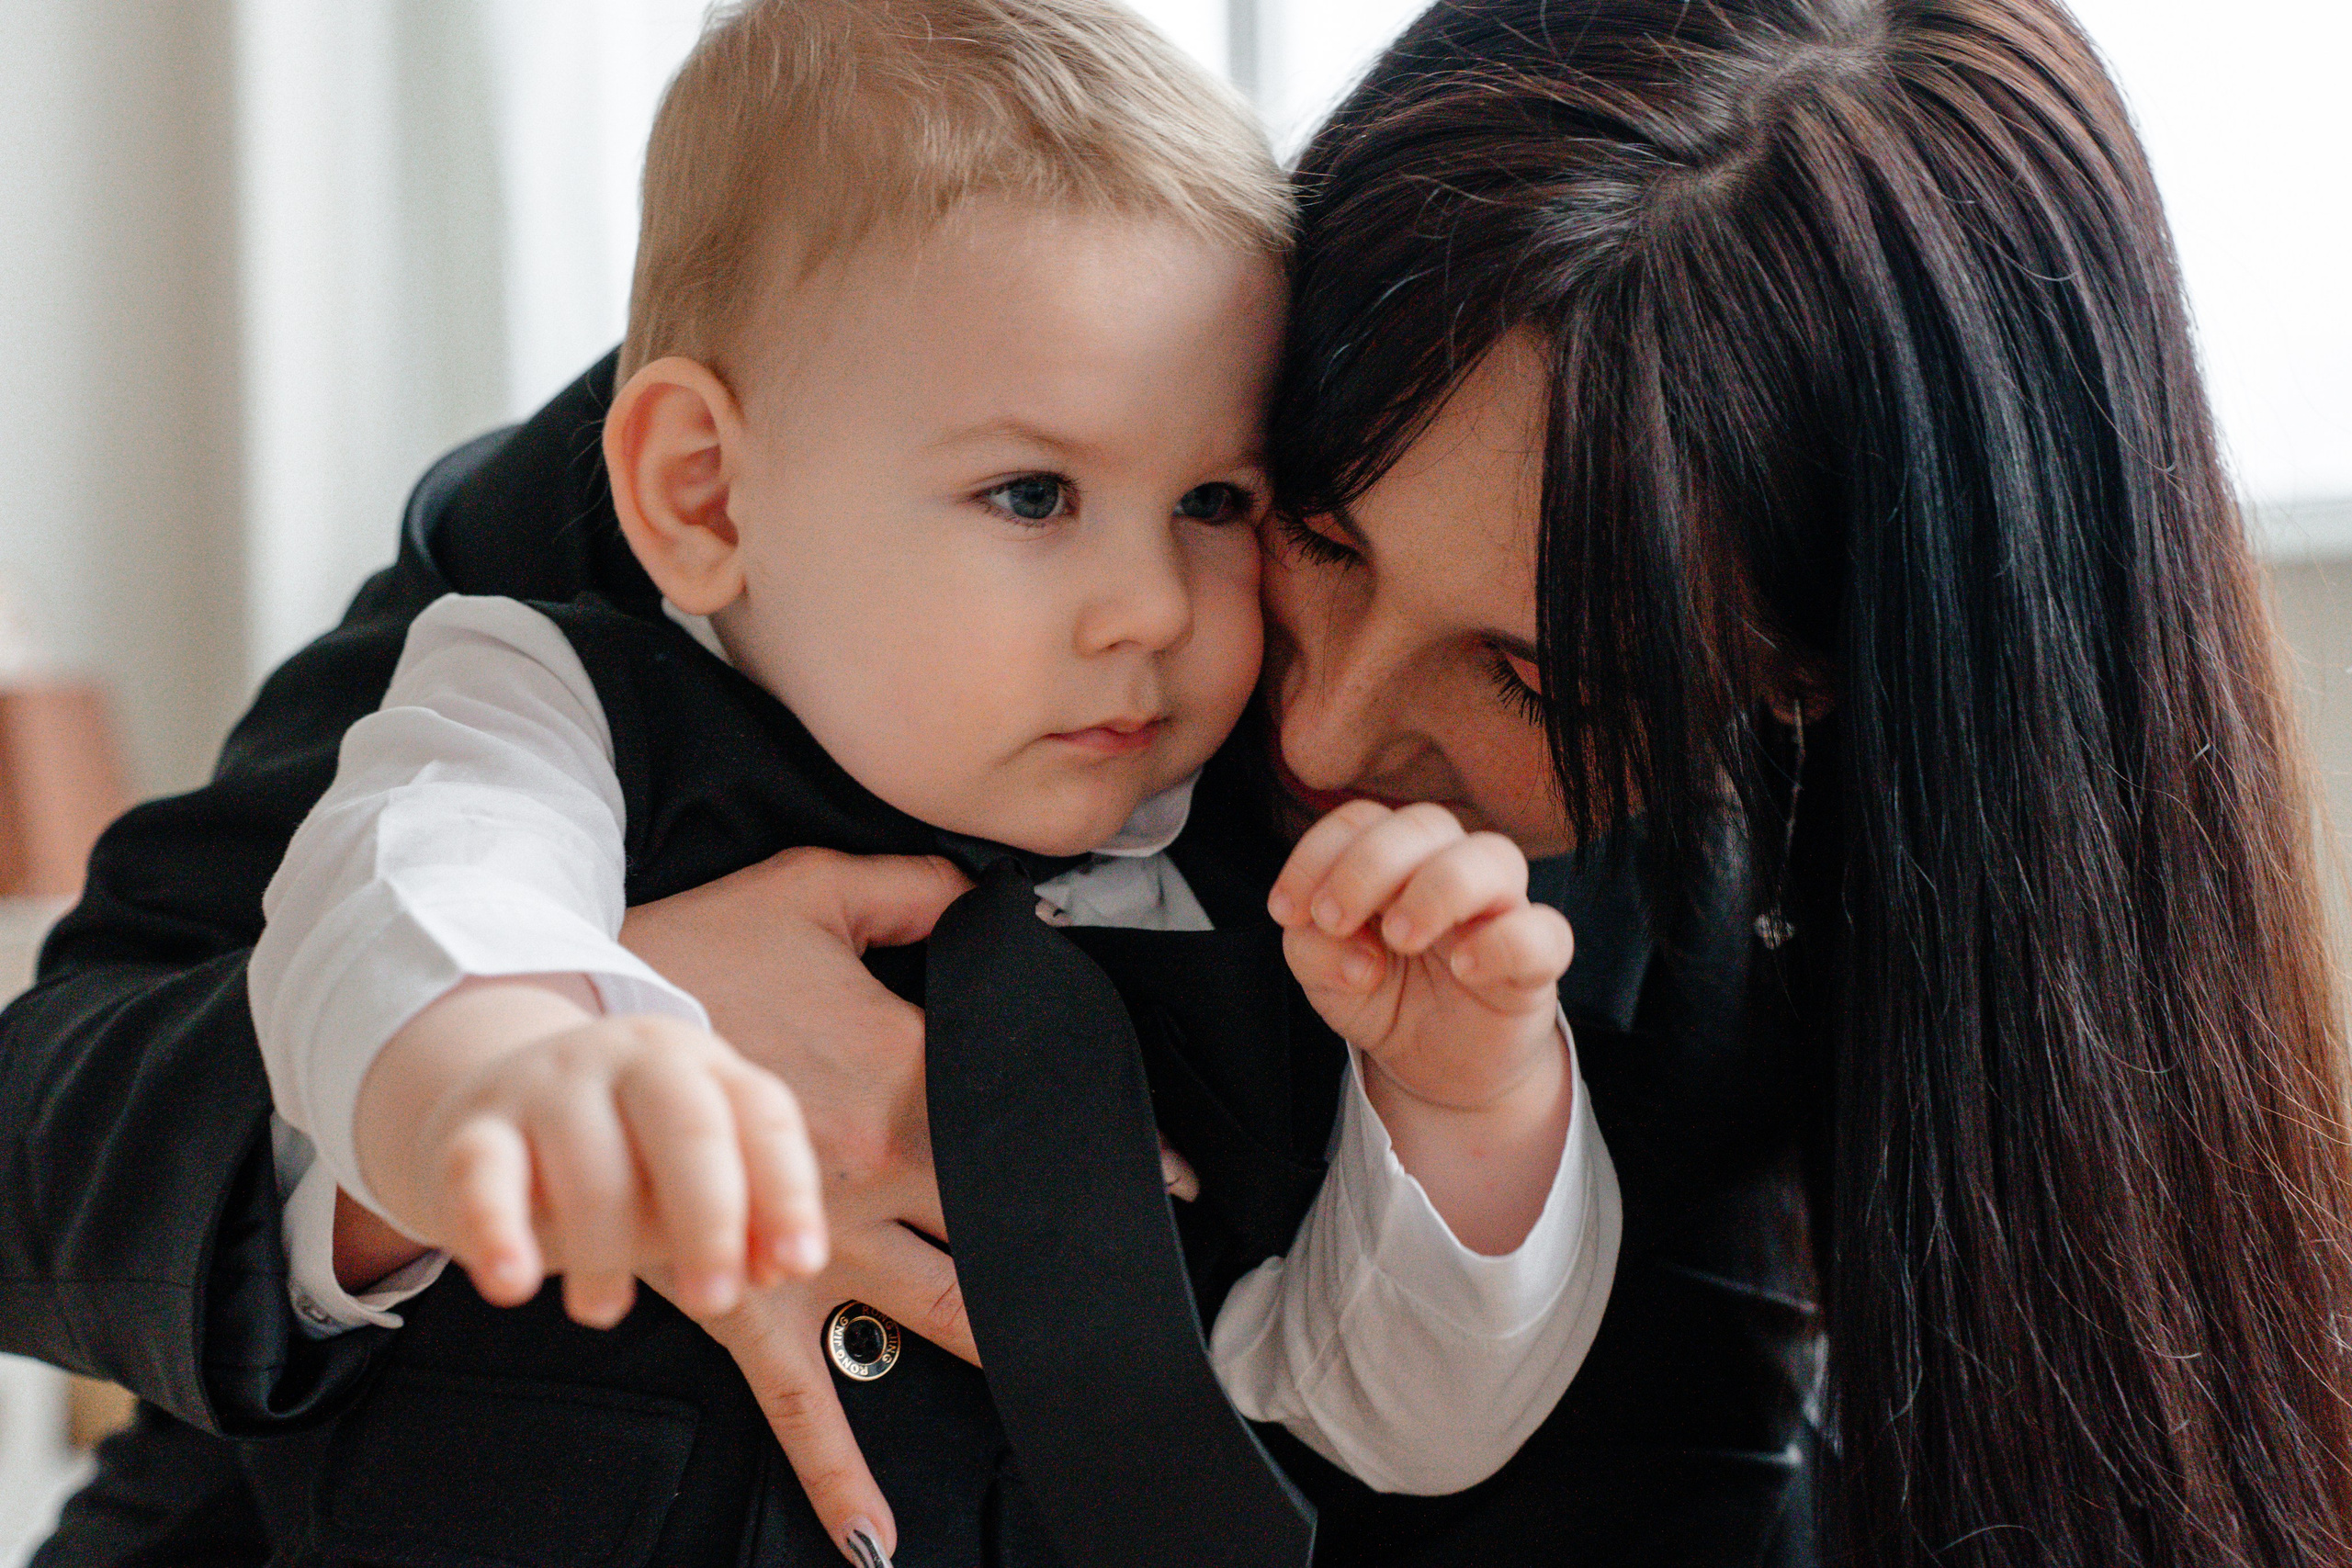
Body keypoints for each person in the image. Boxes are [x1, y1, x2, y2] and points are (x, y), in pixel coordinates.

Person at [11, 0, 2347, 1563]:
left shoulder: (1715, 947)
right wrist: (537, 1043)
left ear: (1804, 696)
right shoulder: (780, 463)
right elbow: (62, 1123)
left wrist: (1469, 1121)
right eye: (1312, 516)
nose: (1303, 727)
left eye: (1532, 670)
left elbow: (1495, 1422)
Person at [233, 2, 1612, 1562]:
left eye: (1213, 502)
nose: (1150, 608)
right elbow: (400, 906)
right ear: (705, 495)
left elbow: (1387, 1422)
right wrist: (507, 1068)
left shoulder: (1259, 896)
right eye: (1032, 494)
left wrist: (1465, 1103)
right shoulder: (549, 703)